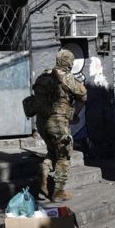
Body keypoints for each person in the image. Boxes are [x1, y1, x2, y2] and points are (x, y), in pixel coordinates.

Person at [34, 48, 87, 202]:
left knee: (52, 152)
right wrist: (74, 113)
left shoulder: (43, 76)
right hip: (57, 123)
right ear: (69, 62)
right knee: (64, 155)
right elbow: (83, 96)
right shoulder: (68, 78)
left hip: (42, 122)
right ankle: (58, 192)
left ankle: (43, 176)